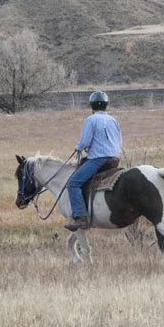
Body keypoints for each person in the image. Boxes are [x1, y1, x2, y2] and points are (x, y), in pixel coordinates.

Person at [65, 91, 122, 231]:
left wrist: (78, 147)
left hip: (99, 159)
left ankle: (81, 217)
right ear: (106, 105)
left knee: (73, 183)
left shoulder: (91, 120)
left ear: (92, 106)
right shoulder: (114, 120)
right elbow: (119, 141)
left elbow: (85, 141)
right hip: (114, 159)